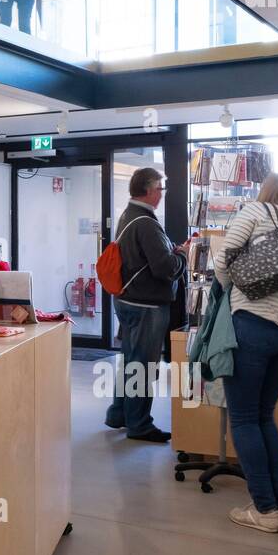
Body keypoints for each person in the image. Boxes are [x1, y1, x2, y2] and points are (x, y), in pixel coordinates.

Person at [214, 172, 278, 533]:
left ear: (267, 191)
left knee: (243, 419)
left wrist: (233, 289)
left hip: (255, 325)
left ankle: (265, 510)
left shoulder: (254, 211)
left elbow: (223, 259)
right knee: (264, 416)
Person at [106, 166, 186, 441]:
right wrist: (183, 257)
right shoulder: (146, 223)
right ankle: (139, 424)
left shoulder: (128, 216)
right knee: (143, 366)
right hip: (147, 306)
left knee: (130, 361)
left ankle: (119, 413)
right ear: (151, 191)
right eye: (161, 189)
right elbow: (164, 268)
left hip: (127, 300)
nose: (162, 194)